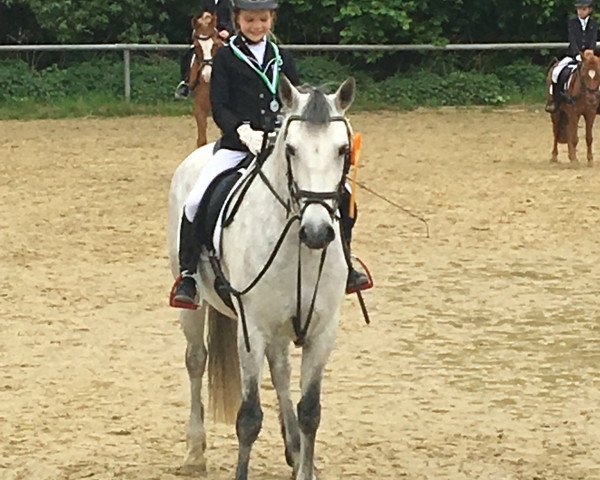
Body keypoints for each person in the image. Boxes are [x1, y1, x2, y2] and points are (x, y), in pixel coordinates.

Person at [172, 0, 369, 307]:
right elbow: (220, 105)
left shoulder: (281, 56)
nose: (256, 25)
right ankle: (188, 275)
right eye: (250, 20)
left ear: (271, 20)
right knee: (197, 199)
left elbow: (298, 99)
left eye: (262, 20)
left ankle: (346, 261)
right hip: (239, 145)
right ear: (238, 20)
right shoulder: (226, 58)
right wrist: (241, 130)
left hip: (280, 144)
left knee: (341, 193)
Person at [174, 0, 234, 99]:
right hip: (207, 32)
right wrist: (202, 22)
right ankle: (186, 82)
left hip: (223, 35)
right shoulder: (207, 1)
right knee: (190, 52)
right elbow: (199, 16)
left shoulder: (228, 2)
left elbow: (232, 19)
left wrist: (227, 31)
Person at [545, 0, 598, 113]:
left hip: (589, 57)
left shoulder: (593, 23)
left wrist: (590, 51)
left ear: (589, 10)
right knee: (556, 72)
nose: (581, 12)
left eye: (583, 9)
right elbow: (572, 40)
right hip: (574, 55)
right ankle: (555, 100)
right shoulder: (572, 22)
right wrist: (578, 54)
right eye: (579, 9)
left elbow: (593, 39)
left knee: (596, 74)